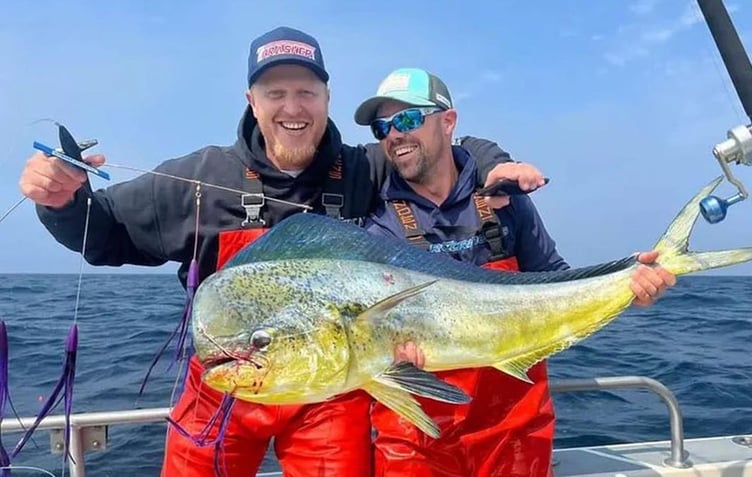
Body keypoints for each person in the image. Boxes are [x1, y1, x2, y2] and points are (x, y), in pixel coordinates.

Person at [17, 28, 546, 477]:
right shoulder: (200, 177)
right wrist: (63, 202)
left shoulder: (366, 167)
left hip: (328, 388)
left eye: (306, 93)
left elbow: (441, 147)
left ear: (326, 99)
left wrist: (496, 159)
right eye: (275, 93)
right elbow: (101, 232)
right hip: (224, 383)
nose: (292, 108)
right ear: (252, 101)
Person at [354, 67, 677, 477]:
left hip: (512, 431)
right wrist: (390, 354)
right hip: (419, 432)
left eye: (408, 119)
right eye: (384, 127)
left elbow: (557, 281)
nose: (394, 134)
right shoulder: (378, 222)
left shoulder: (504, 198)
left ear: (448, 121)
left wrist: (628, 284)